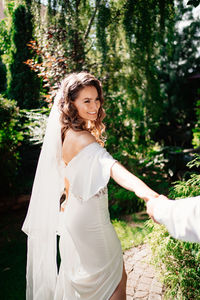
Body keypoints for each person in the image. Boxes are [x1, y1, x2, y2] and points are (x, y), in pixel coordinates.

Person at [22, 72, 160, 300]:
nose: (94, 106)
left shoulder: (66, 135)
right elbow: (114, 168)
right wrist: (148, 194)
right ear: (71, 104)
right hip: (92, 221)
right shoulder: (83, 139)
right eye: (86, 100)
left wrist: (67, 198)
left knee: (94, 285)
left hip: (74, 216)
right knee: (116, 281)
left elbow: (68, 175)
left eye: (96, 99)